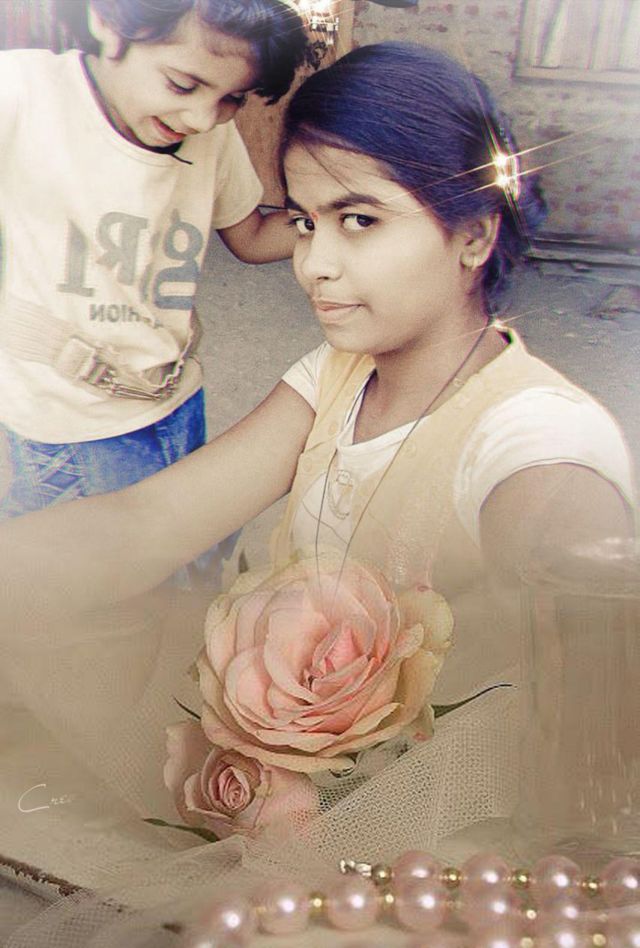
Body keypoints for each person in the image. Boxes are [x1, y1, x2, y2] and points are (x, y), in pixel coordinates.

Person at [2, 41, 637, 948]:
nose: (314, 265)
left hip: (437, 855)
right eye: (304, 222)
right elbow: (146, 521)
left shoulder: (533, 432)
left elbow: (579, 570)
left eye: (359, 220)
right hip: (283, 797)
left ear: (473, 234)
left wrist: (581, 585)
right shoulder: (334, 378)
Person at [0, 0, 308, 560]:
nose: (202, 118)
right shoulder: (22, 93)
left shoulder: (211, 136)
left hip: (176, 399)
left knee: (185, 557)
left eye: (232, 99)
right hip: (69, 427)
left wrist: (339, 215)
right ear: (109, 22)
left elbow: (253, 237)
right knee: (94, 586)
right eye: (183, 84)